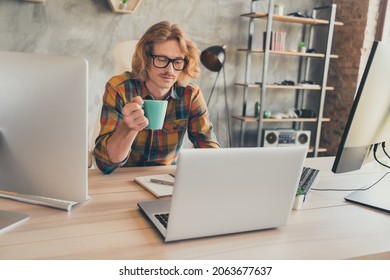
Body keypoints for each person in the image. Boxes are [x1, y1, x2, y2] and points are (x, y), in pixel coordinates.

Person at [94, 21, 220, 174]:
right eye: (162, 59)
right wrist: (128, 129)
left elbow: (209, 149)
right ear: (146, 59)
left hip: (164, 181)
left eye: (177, 61)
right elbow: (105, 164)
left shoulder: (190, 95)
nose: (170, 70)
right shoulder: (120, 88)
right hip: (122, 177)